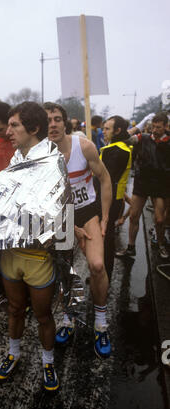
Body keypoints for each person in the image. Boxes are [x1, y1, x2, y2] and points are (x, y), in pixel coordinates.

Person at [0, 101, 65, 391]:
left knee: (43, 315)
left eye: (14, 125)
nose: (7, 131)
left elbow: (55, 217)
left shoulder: (52, 163)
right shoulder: (16, 160)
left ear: (33, 128)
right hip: (10, 255)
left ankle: (48, 361)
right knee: (15, 309)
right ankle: (13, 353)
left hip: (38, 257)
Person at [44, 102, 112, 359]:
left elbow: (105, 178)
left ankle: (101, 323)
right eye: (48, 120)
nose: (53, 124)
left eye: (57, 119)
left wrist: (105, 217)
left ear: (66, 122)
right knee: (65, 269)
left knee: (96, 265)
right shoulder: (42, 155)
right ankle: (69, 317)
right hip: (61, 217)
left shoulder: (84, 147)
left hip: (85, 212)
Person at [116, 112, 170, 259]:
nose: (154, 130)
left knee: (159, 219)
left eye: (158, 127)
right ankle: (130, 247)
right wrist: (140, 124)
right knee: (133, 216)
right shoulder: (143, 138)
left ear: (166, 126)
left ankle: (160, 244)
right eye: (153, 126)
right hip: (142, 182)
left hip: (160, 184)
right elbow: (127, 139)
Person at [99, 115, 132, 281]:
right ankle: (102, 272)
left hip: (111, 201)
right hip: (109, 199)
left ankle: (105, 275)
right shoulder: (113, 147)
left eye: (107, 129)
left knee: (106, 238)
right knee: (103, 237)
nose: (103, 131)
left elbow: (108, 181)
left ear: (117, 131)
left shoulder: (118, 151)